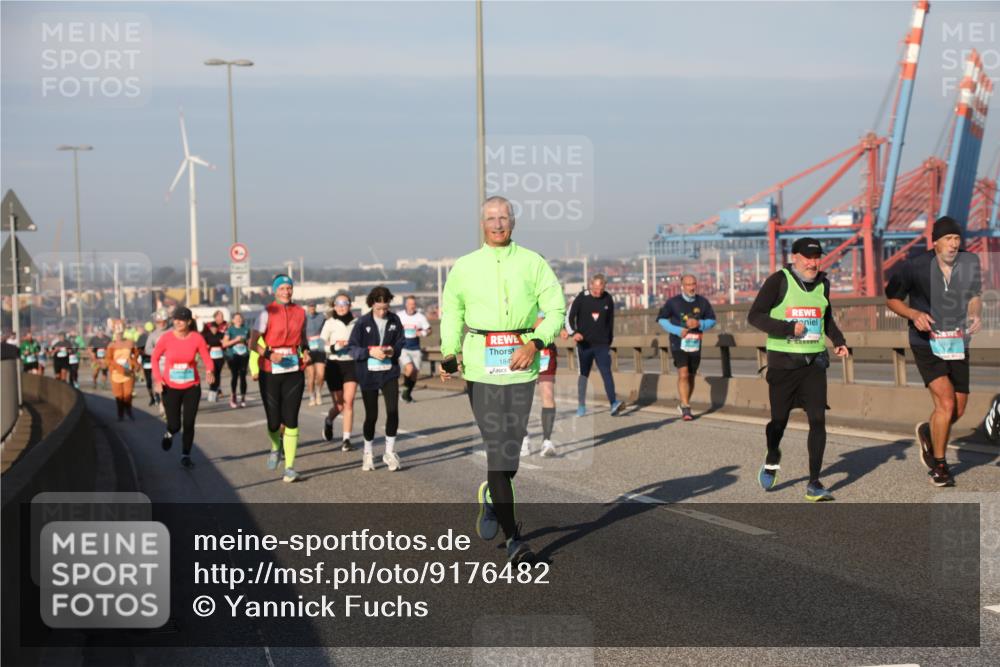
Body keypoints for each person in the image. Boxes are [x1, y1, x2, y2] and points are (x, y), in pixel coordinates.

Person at [440, 195, 565, 564]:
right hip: (480, 367)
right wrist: (449, 351)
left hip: (521, 363)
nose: (498, 224)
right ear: (482, 224)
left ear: (514, 222)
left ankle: (491, 497)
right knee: (498, 450)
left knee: (510, 455)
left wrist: (535, 342)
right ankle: (514, 541)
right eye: (491, 218)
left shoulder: (532, 262)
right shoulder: (465, 266)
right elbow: (452, 311)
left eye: (504, 218)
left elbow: (556, 308)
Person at [747, 237, 849, 502]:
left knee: (818, 420)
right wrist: (788, 328)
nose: (813, 263)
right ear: (795, 257)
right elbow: (755, 316)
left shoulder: (823, 284)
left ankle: (814, 483)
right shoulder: (779, 281)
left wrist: (839, 341)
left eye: (817, 258)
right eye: (807, 258)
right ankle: (772, 456)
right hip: (783, 364)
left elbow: (826, 318)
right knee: (778, 422)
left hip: (814, 363)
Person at [885, 216, 983, 487]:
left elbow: (975, 295)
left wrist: (975, 314)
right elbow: (891, 298)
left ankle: (929, 432)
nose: (953, 244)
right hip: (926, 341)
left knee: (958, 409)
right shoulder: (914, 267)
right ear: (935, 242)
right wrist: (914, 314)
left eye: (957, 239)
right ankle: (940, 466)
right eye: (948, 239)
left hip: (958, 341)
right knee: (946, 403)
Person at [251, 274, 310, 483]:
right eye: (282, 288)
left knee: (291, 419)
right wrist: (269, 354)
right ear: (275, 290)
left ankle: (290, 467)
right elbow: (252, 343)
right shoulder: (266, 312)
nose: (286, 291)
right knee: (274, 421)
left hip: (294, 370)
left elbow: (303, 339)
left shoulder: (300, 312)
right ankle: (276, 446)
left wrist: (306, 352)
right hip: (270, 371)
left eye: (289, 288)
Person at [347, 286, 406, 471]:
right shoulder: (362, 322)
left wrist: (393, 350)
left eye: (385, 308)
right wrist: (369, 352)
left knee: (393, 411)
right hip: (368, 374)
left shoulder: (395, 320)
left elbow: (401, 341)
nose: (382, 312)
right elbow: (352, 348)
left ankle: (389, 452)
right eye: (379, 308)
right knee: (371, 416)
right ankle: (368, 453)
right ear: (372, 304)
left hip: (389, 372)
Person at [151, 307, 214, 468]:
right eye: (176, 319)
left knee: (189, 423)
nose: (178, 322)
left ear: (189, 322)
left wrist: (209, 370)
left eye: (182, 319)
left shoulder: (197, 338)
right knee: (175, 425)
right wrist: (158, 379)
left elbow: (206, 357)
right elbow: (154, 358)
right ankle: (169, 433)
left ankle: (186, 455)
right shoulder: (166, 338)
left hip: (191, 386)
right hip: (170, 387)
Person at [656, 274, 717, 421]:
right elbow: (661, 320)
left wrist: (700, 324)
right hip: (678, 343)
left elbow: (712, 320)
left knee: (691, 375)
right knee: (683, 373)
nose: (691, 287)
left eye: (693, 284)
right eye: (688, 285)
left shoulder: (702, 302)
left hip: (695, 343)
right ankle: (686, 407)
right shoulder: (673, 302)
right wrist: (677, 330)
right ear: (682, 286)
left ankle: (684, 402)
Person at [562, 274, 623, 417]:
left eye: (601, 289)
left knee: (606, 373)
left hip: (602, 345)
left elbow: (610, 321)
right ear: (591, 285)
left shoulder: (608, 298)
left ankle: (613, 403)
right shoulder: (581, 297)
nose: (598, 292)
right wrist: (573, 333)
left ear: (604, 287)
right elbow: (569, 317)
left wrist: (609, 340)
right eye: (595, 289)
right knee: (584, 375)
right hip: (584, 345)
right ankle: (581, 405)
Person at [320, 292, 358, 451]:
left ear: (350, 305)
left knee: (349, 401)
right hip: (334, 365)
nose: (342, 307)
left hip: (351, 364)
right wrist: (335, 347)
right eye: (338, 304)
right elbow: (321, 345)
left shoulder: (356, 322)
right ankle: (329, 420)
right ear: (334, 306)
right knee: (340, 405)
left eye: (345, 304)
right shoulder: (330, 323)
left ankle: (346, 439)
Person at [522, 312, 559, 457]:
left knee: (548, 394)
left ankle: (547, 441)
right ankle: (523, 436)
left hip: (545, 350)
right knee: (521, 397)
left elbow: (551, 322)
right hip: (523, 350)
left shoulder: (548, 300)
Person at [397, 296, 432, 403]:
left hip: (415, 348)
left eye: (413, 304)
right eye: (410, 304)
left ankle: (406, 394)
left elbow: (429, 330)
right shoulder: (399, 315)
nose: (412, 306)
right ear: (406, 304)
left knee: (414, 374)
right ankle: (405, 392)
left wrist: (422, 333)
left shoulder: (420, 317)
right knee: (409, 368)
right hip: (403, 347)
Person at [105, 320, 141, 421]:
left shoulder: (130, 343)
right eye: (116, 332)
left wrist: (135, 364)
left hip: (128, 373)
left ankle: (128, 410)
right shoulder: (111, 345)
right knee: (119, 396)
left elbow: (135, 354)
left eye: (120, 331)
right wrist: (118, 367)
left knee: (128, 394)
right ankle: (120, 414)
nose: (119, 334)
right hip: (116, 374)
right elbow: (108, 359)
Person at [223, 312, 251, 408]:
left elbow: (249, 342)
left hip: (244, 355)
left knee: (243, 376)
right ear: (233, 320)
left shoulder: (246, 329)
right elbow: (224, 344)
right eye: (236, 318)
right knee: (234, 375)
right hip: (233, 356)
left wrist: (248, 343)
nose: (239, 320)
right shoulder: (230, 330)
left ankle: (243, 397)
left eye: (240, 318)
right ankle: (233, 395)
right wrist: (236, 340)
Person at [145, 311, 170, 415]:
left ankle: (170, 405)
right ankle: (161, 403)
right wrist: (159, 352)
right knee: (158, 385)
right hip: (158, 364)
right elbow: (147, 349)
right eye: (159, 322)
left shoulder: (172, 331)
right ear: (156, 322)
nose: (162, 324)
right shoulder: (153, 335)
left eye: (164, 321)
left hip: (171, 364)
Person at [304, 302, 327, 406]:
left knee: (321, 375)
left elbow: (327, 329)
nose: (312, 308)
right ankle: (311, 396)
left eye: (313, 306)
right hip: (308, 350)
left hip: (320, 349)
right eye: (310, 306)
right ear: (307, 308)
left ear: (315, 307)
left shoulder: (321, 317)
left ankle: (318, 393)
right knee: (311, 376)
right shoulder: (304, 319)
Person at [202, 320, 226, 402]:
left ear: (217, 328)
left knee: (218, 374)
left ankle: (216, 390)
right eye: (212, 328)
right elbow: (203, 345)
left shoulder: (221, 335)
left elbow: (225, 344)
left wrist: (223, 343)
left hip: (220, 357)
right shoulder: (207, 336)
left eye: (215, 328)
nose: (214, 329)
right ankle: (212, 389)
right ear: (210, 328)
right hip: (211, 358)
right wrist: (207, 346)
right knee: (212, 373)